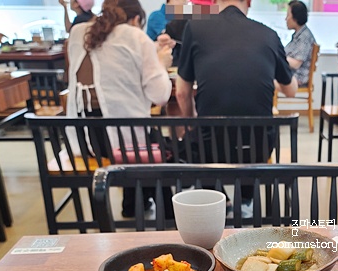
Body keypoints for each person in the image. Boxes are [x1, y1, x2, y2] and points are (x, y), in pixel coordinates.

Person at [175, 0, 296, 216]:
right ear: (249, 2)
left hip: (210, 147)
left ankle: (217, 200)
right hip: (257, 147)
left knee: (198, 140)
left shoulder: (194, 29)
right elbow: (291, 91)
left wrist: (191, 123)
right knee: (251, 138)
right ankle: (246, 201)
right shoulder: (269, 35)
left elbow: (182, 93)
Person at [66, 0, 172, 217]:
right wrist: (161, 63)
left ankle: (132, 205)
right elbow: (160, 95)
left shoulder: (77, 33)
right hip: (122, 142)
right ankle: (168, 213)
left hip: (83, 139)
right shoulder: (136, 37)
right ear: (135, 19)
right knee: (159, 147)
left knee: (144, 139)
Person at [284, 0, 316, 87]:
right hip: (291, 74)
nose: (285, 19)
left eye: (288, 15)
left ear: (296, 18)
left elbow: (296, 64)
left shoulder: (304, 37)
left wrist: (278, 57)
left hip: (297, 77)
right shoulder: (298, 35)